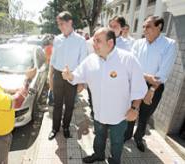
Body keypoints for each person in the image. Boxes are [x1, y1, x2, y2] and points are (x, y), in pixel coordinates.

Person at [62, 27, 147, 164]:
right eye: (94, 41)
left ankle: (114, 160)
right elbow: (77, 75)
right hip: (99, 112)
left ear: (110, 43)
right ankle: (99, 154)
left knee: (117, 141)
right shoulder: (91, 60)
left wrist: (135, 109)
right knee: (99, 136)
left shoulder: (127, 59)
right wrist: (69, 75)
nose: (94, 44)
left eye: (98, 41)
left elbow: (139, 87)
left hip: (119, 115)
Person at [124, 16, 177, 152]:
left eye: (148, 26)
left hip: (154, 88)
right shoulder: (138, 43)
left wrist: (152, 90)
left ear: (159, 27)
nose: (144, 29)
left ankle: (138, 138)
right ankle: (127, 134)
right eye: (143, 27)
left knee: (144, 116)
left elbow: (163, 73)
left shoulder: (169, 44)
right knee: (132, 110)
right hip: (135, 83)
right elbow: (130, 66)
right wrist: (146, 76)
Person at [48, 11, 88, 140]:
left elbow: (83, 62)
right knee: (57, 104)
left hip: (72, 76)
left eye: (62, 24)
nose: (60, 27)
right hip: (58, 76)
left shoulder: (81, 40)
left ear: (70, 22)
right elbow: (53, 60)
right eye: (58, 24)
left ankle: (65, 127)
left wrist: (81, 82)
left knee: (70, 105)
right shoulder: (57, 39)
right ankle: (55, 128)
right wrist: (50, 76)